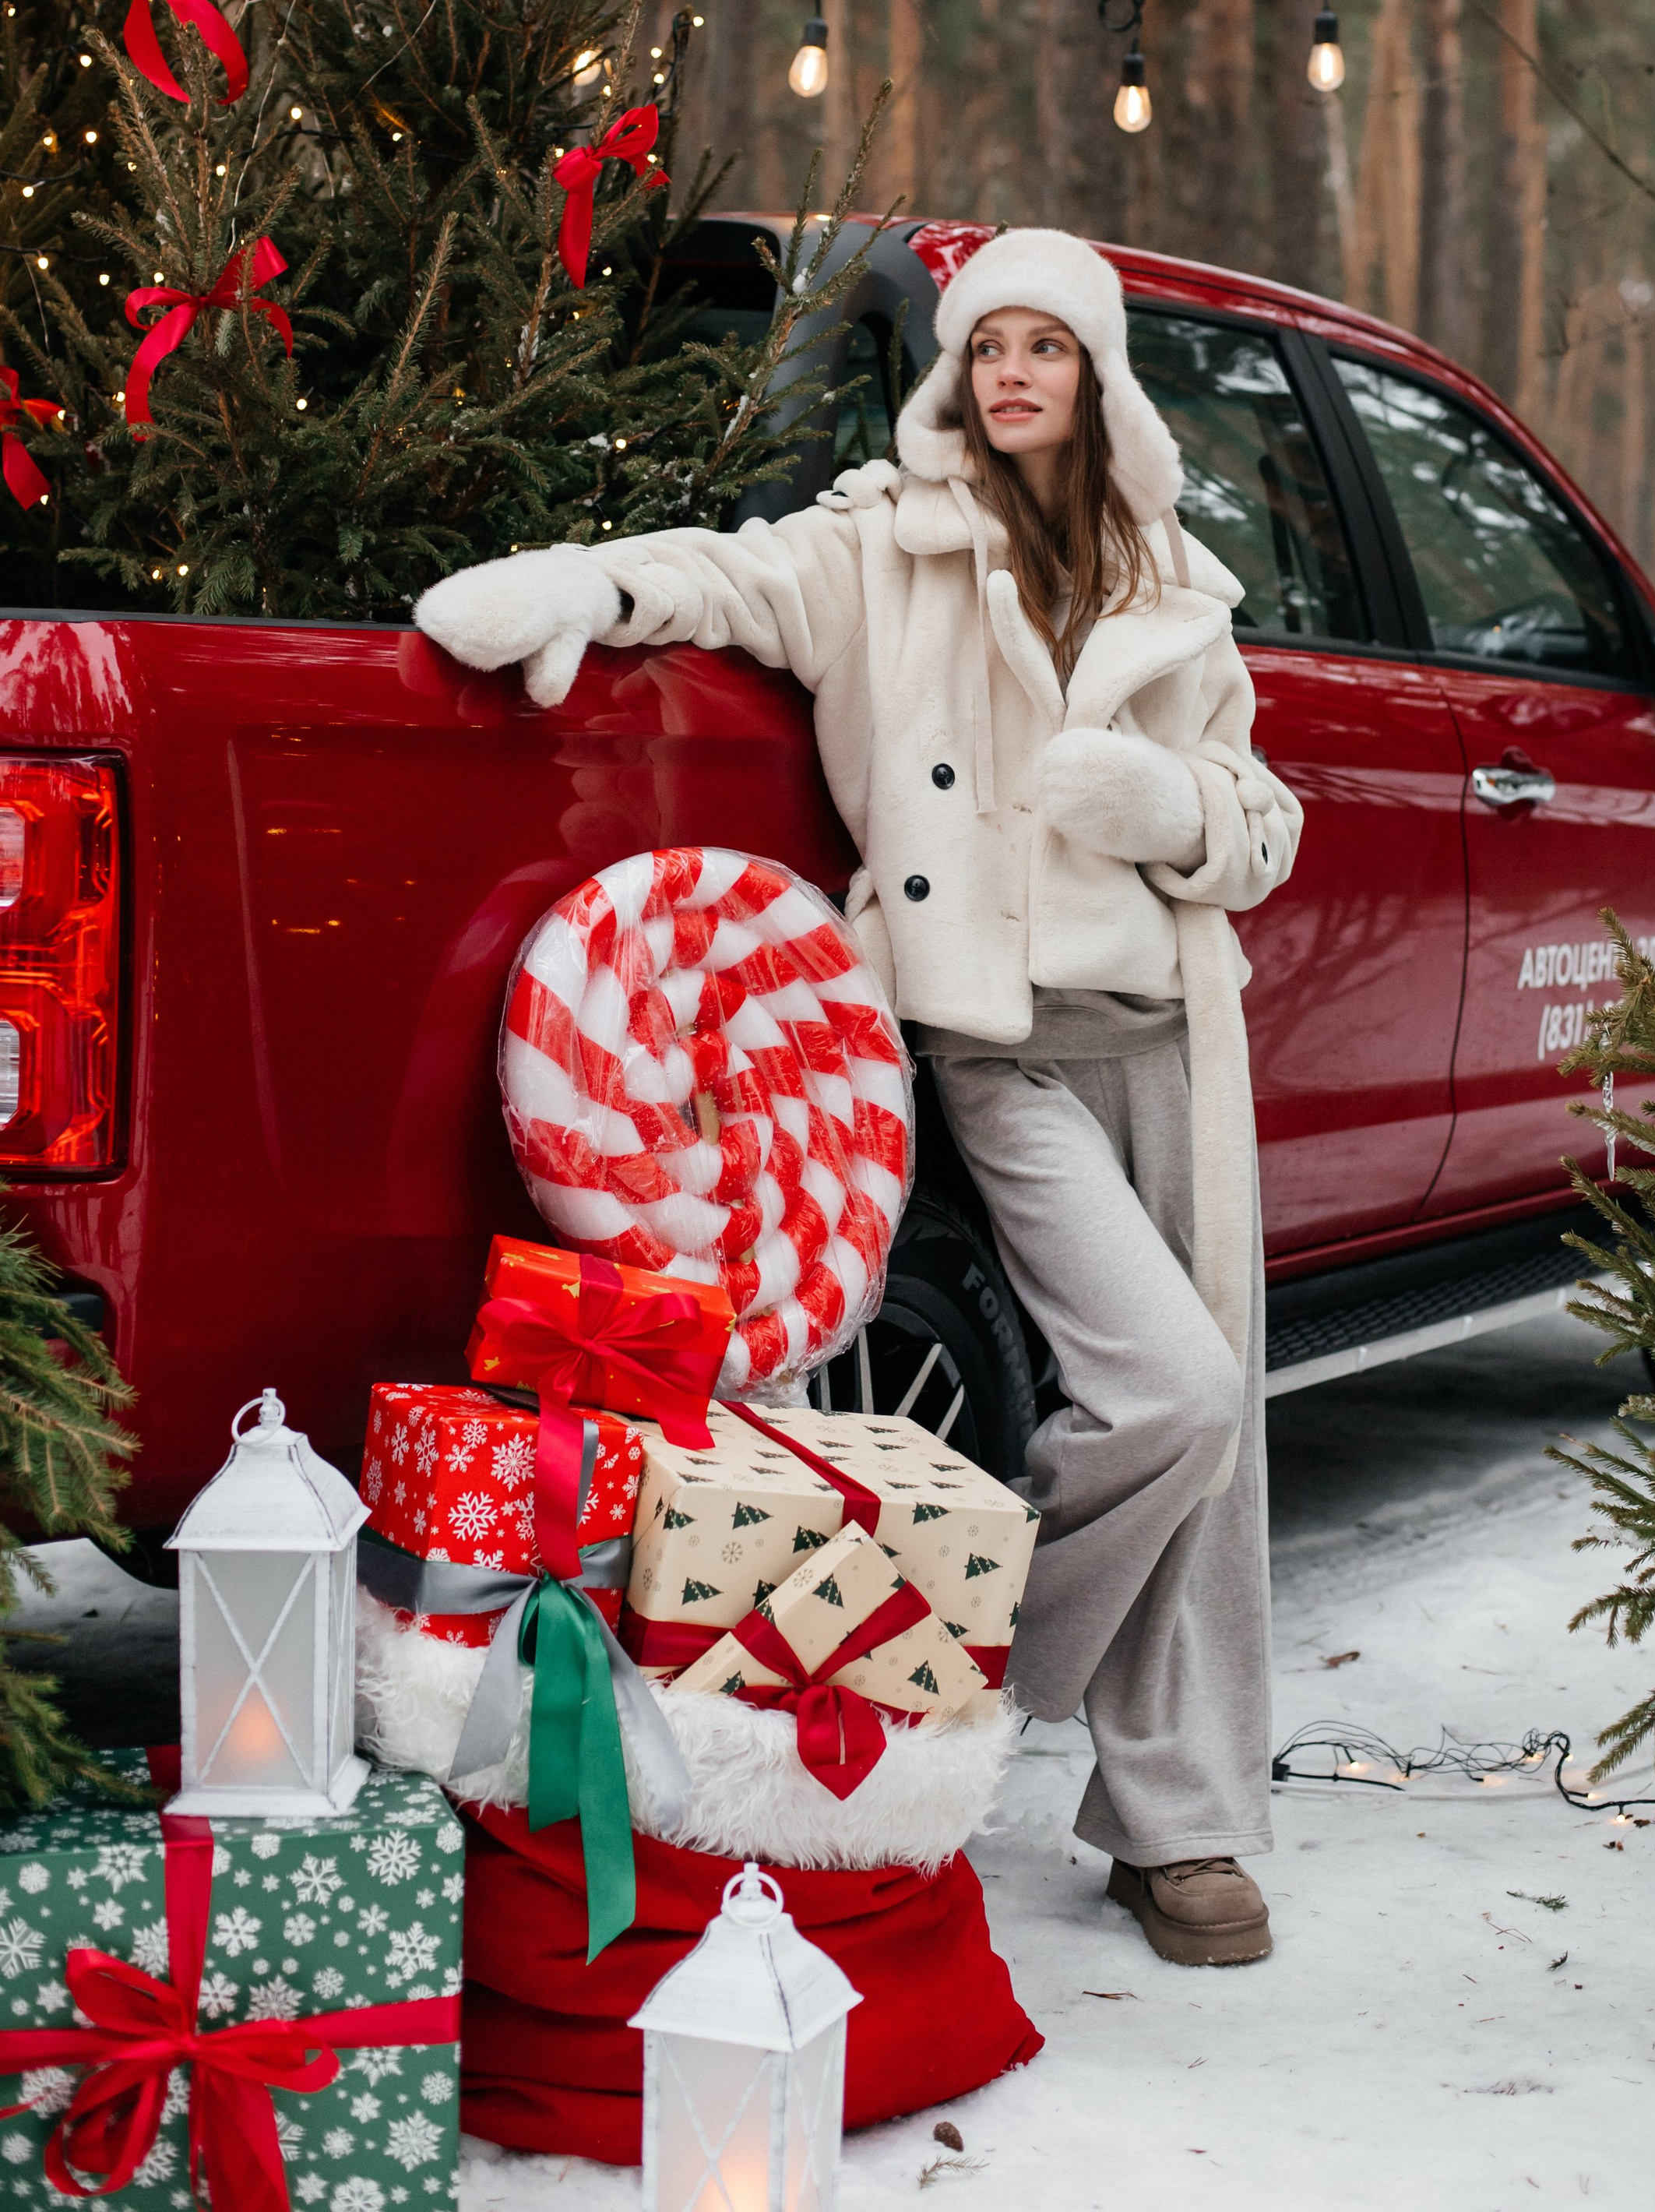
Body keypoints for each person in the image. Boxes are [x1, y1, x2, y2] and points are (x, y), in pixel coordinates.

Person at [413, 228, 1304, 1967]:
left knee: (1219, 1440)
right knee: (1172, 1394)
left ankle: (1170, 1823)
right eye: (989, 347)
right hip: (999, 1048)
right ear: (956, 373)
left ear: (1097, 374)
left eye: (1048, 346)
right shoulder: (876, 552)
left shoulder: (1174, 582)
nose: (1013, 375)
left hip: (1168, 1030)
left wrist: (1173, 809)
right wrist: (584, 588)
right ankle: (957, 1675)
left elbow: (1257, 828)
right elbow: (725, 582)